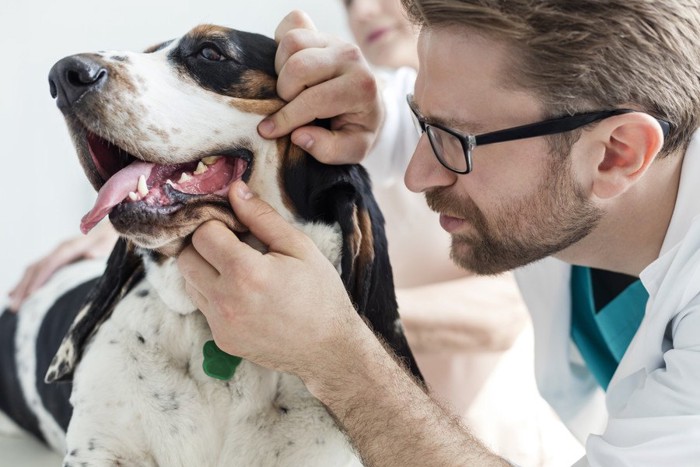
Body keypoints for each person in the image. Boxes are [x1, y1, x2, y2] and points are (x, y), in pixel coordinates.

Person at [177, 1, 700, 465]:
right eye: (422, 123)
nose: (417, 175)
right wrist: (361, 107)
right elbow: (443, 116)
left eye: (454, 140)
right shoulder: (563, 149)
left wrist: (334, 354)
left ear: (617, 154)